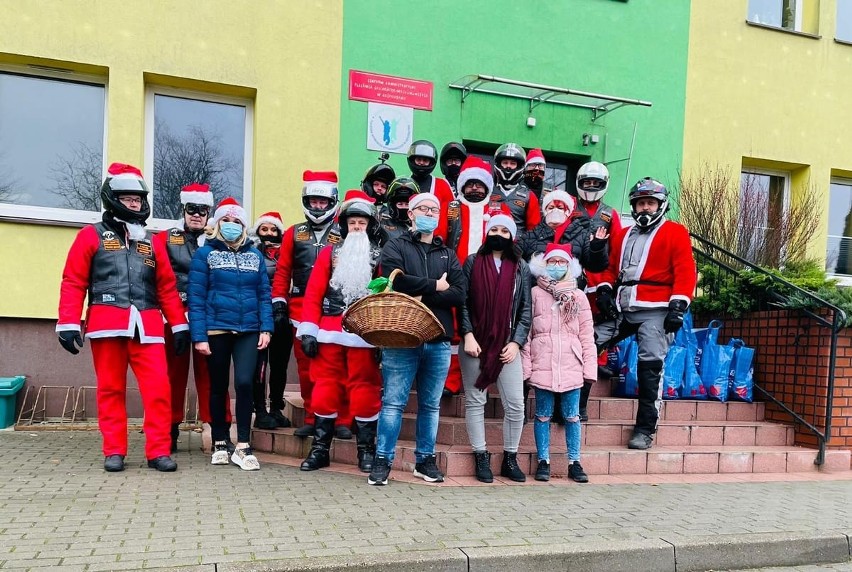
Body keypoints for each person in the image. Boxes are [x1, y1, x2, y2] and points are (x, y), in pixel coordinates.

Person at [56, 162, 187, 472]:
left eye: (138, 199)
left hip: (148, 327)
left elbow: (167, 287)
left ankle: (158, 451)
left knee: (158, 390)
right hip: (107, 325)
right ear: (113, 198)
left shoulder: (152, 242)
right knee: (110, 390)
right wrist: (68, 322)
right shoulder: (90, 236)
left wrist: (179, 325)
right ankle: (114, 450)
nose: (135, 204)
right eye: (128, 199)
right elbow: (74, 281)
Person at [368, 193, 466, 486]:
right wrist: (437, 285)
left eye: (434, 209)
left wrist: (422, 294)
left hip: (438, 338)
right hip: (402, 338)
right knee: (393, 403)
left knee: (431, 405)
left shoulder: (446, 252)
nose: (429, 213)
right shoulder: (396, 245)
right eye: (423, 208)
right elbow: (394, 280)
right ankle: (382, 461)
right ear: (410, 214)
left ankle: (425, 461)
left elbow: (460, 291)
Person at [595, 178, 697, 450]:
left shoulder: (675, 232)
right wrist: (604, 290)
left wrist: (678, 306)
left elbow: (685, 271)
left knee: (650, 367)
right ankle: (574, 410)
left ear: (661, 205)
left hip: (657, 310)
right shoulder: (623, 234)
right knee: (587, 345)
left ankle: (644, 429)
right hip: (622, 306)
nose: (645, 209)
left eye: (650, 203)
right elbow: (609, 268)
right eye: (640, 203)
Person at [297, 190, 384, 473]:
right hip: (330, 330)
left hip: (365, 334)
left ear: (370, 226)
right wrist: (308, 330)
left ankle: (366, 451)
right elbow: (313, 294)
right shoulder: (328, 255)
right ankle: (320, 450)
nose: (357, 227)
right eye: (352, 223)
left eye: (362, 223)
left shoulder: (379, 257)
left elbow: (385, 297)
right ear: (344, 225)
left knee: (365, 391)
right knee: (325, 388)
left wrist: (382, 337)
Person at [188, 197, 274, 471]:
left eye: (237, 222)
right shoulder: (205, 254)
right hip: (216, 328)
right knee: (217, 385)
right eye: (226, 220)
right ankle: (220, 441)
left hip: (249, 329)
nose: (232, 226)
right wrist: (199, 335)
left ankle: (244, 445)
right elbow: (196, 296)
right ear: (217, 224)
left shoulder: (255, 255)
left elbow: (264, 294)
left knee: (246, 383)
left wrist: (267, 327)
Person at [271, 171, 353, 440]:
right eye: (313, 201)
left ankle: (341, 419)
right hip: (299, 309)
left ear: (332, 202)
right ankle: (311, 416)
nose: (317, 206)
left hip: (334, 309)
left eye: (322, 202)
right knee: (306, 368)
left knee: (336, 367)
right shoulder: (294, 233)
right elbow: (283, 271)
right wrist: (279, 304)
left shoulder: (344, 231)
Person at [154, 182, 232, 452]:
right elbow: (158, 280)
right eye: (191, 209)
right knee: (171, 376)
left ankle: (220, 430)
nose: (197, 215)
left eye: (202, 210)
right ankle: (169, 429)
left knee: (213, 375)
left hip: (209, 318)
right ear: (183, 210)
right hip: (173, 317)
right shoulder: (164, 238)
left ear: (209, 212)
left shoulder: (218, 241)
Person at [458, 214, 531, 483]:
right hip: (474, 343)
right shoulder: (472, 262)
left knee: (515, 405)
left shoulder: (521, 266)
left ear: (512, 236)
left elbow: (526, 310)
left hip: (507, 346)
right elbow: (462, 301)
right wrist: (467, 334)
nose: (499, 233)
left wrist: (516, 342)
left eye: (504, 230)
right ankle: (481, 455)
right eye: (494, 229)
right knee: (476, 401)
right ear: (487, 233)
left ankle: (510, 458)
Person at [524, 244, 594, 483]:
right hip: (542, 361)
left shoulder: (578, 296)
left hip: (571, 364)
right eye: (551, 262)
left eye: (561, 262)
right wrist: (527, 364)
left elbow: (587, 335)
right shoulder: (534, 294)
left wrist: (589, 368)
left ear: (569, 266)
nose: (556, 266)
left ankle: (574, 462)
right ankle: (543, 460)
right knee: (542, 414)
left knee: (572, 415)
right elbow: (527, 332)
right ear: (544, 265)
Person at [573, 161, 623, 421]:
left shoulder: (609, 214)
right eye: (587, 182)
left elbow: (614, 255)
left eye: (596, 183)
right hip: (569, 282)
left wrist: (606, 287)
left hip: (597, 289)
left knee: (590, 345)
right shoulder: (570, 207)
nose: (591, 187)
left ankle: (581, 404)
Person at [249, 211, 292, 430]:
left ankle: (276, 407)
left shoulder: (287, 252)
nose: (268, 234)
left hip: (283, 314)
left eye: (273, 229)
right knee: (260, 365)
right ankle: (260, 410)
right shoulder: (251, 251)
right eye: (264, 229)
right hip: (258, 315)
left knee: (280, 364)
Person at [406, 139, 455, 240]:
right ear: (412, 160)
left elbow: (452, 217)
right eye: (418, 159)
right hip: (407, 241)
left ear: (431, 162)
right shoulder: (404, 184)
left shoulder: (443, 185)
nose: (421, 163)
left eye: (425, 160)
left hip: (436, 243)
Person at [489, 142, 541, 232]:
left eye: (513, 163)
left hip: (517, 244)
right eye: (505, 162)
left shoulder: (529, 196)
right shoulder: (488, 191)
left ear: (519, 166)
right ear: (499, 164)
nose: (508, 166)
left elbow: (533, 229)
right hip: (491, 242)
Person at [380, 177, 420, 242]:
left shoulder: (421, 225)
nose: (404, 207)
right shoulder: (381, 222)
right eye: (400, 204)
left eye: (407, 204)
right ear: (392, 205)